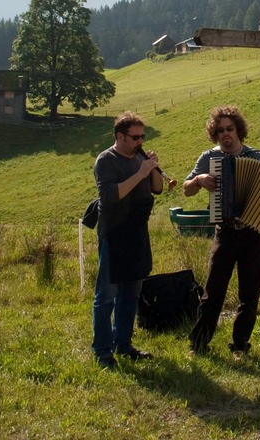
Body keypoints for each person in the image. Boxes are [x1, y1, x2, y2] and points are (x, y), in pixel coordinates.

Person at [183, 105, 260, 356]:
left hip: (254, 234)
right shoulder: (208, 158)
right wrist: (198, 180)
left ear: (238, 130)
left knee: (249, 295)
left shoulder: (258, 158)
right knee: (213, 292)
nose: (225, 134)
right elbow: (186, 188)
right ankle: (199, 344)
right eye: (220, 130)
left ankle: (240, 346)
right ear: (214, 134)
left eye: (229, 129)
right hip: (224, 232)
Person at [91, 110, 175, 368]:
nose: (140, 141)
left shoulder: (140, 158)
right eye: (135, 137)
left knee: (131, 293)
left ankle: (124, 344)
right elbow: (109, 196)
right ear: (120, 136)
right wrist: (140, 173)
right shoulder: (107, 160)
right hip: (115, 233)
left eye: (142, 136)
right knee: (107, 295)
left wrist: (151, 170)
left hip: (138, 231)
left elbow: (158, 189)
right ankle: (103, 352)